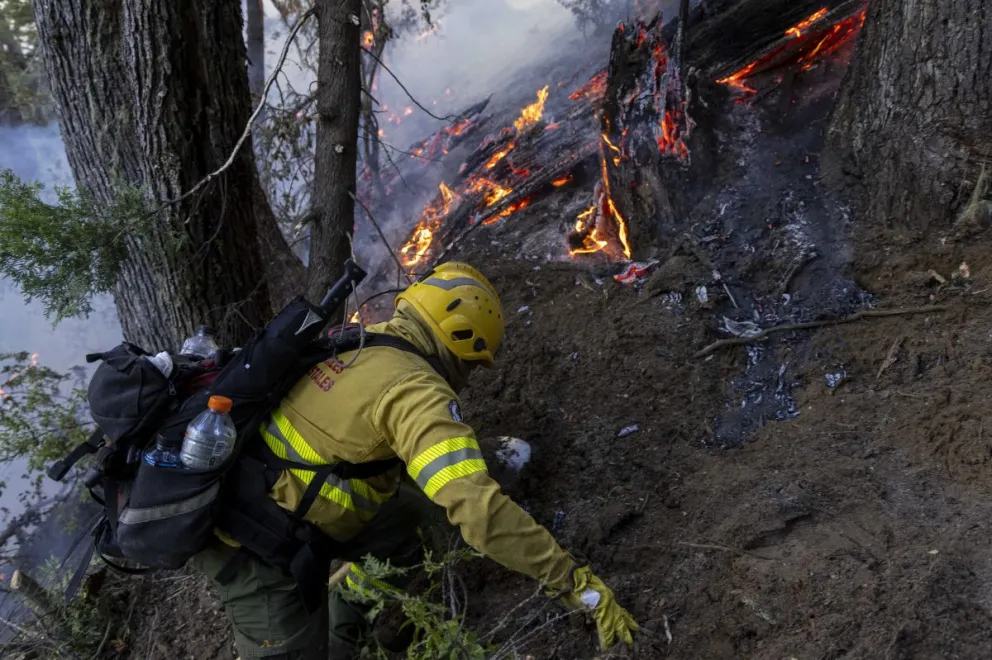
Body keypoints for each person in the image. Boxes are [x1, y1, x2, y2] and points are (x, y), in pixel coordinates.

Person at [193, 262, 638, 658]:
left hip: (274, 499)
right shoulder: (415, 388)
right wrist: (576, 584)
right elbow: (478, 511)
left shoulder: (358, 340)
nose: (466, 378)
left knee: (420, 519)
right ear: (461, 341)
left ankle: (345, 617)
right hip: (253, 550)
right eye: (471, 365)